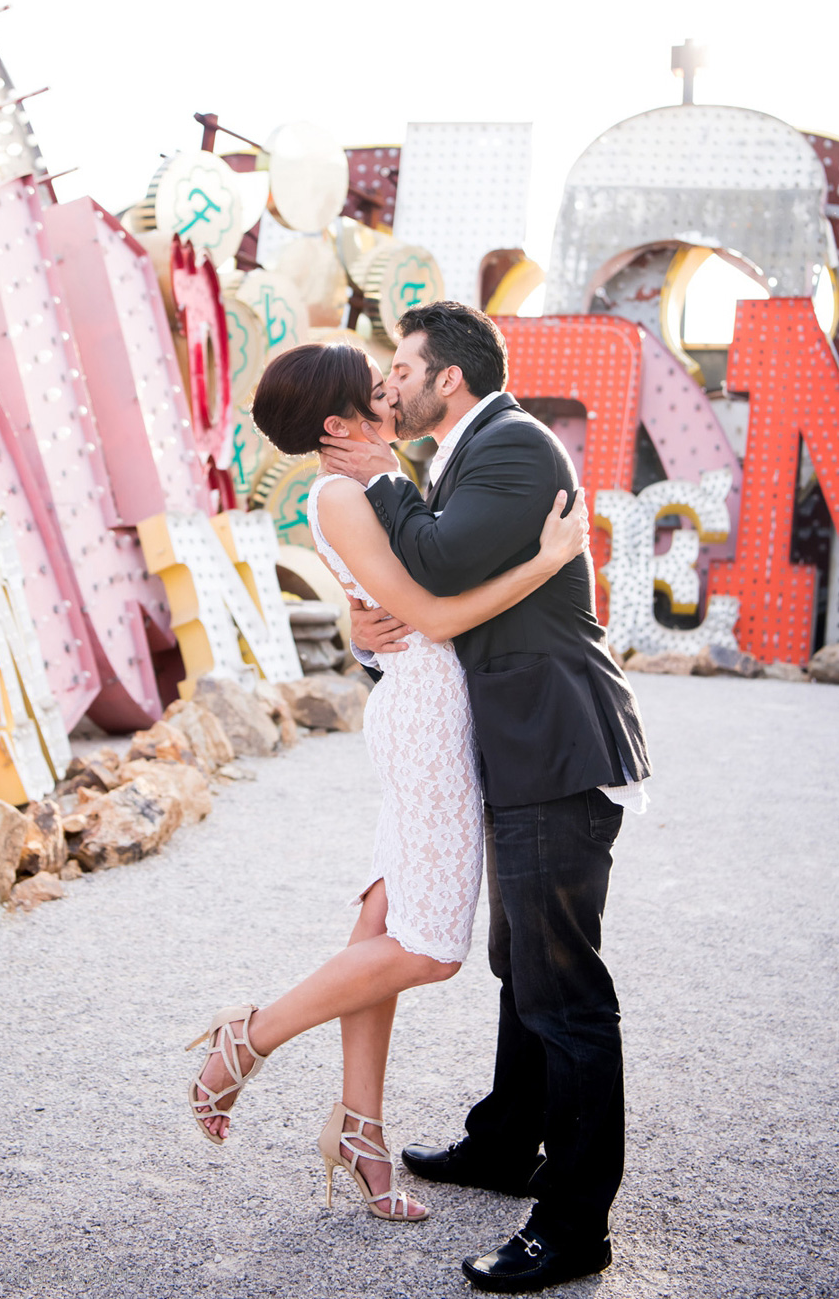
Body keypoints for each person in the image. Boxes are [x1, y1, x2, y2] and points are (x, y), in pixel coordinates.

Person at [185, 340, 589, 1228]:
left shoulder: (362, 485)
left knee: (381, 918)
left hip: (425, 701)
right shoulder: (341, 493)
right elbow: (437, 612)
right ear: (337, 423)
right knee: (432, 948)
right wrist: (549, 562)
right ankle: (245, 1038)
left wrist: (367, 624)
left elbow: (404, 597)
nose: (391, 392)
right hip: (429, 719)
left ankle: (360, 1132)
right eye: (376, 388)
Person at [321, 301, 652, 1292]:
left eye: (402, 368)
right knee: (523, 965)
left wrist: (374, 475)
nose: (388, 386)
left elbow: (431, 562)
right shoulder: (470, 451)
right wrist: (358, 616)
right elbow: (420, 600)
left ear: (448, 379)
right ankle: (507, 1141)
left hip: (552, 743)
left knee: (565, 993)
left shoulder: (510, 448)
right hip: (518, 747)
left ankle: (574, 1225)